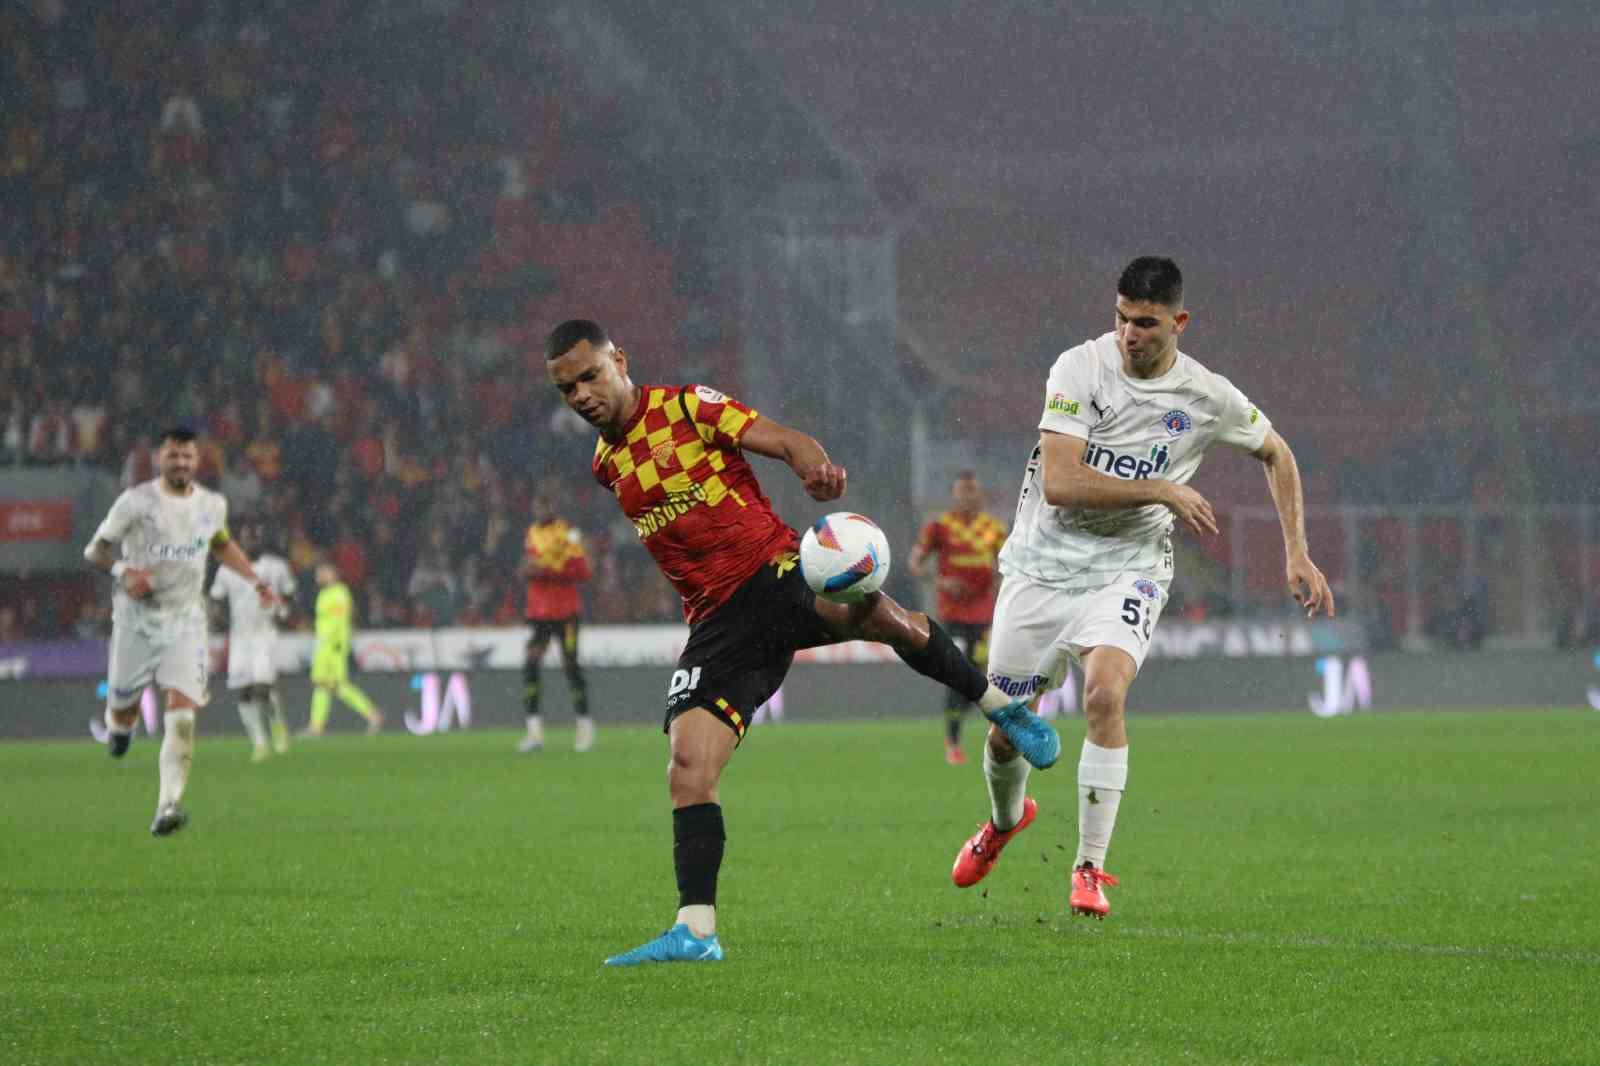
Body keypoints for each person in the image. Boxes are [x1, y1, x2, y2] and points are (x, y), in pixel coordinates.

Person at [544, 319, 1060, 967]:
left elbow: (784, 440)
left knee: (878, 616)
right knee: (687, 768)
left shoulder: (685, 406)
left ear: (619, 360)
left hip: (775, 571)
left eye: (590, 375)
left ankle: (999, 706)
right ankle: (696, 931)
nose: (582, 394)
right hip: (717, 625)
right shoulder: (604, 464)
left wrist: (813, 466)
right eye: (568, 389)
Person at [948, 257, 1335, 919]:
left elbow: (1277, 452)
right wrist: (1160, 487)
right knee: (1007, 731)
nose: (1131, 333)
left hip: (1128, 567)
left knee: (1105, 694)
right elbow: (1061, 483)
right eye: (1123, 319)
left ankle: (1089, 869)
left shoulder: (1207, 396)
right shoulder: (1079, 369)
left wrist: (1296, 550)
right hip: (1042, 567)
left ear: (1178, 322)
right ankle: (1004, 820)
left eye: (1147, 323)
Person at [83, 426, 279, 836]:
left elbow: (221, 544)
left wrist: (255, 580)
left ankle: (168, 805)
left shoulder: (212, 504)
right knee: (122, 712)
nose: (181, 462)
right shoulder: (135, 503)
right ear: (160, 458)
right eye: (173, 455)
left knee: (184, 717)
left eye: (188, 456)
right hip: (136, 623)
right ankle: (120, 730)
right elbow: (95, 550)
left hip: (187, 623)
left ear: (197, 460)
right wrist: (124, 571)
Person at [906, 470, 1007, 765]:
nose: (967, 497)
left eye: (972, 491)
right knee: (958, 672)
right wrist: (941, 582)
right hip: (952, 614)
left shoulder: (994, 528)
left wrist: (1000, 583)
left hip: (984, 614)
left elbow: (1010, 564)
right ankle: (953, 743)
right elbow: (915, 564)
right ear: (952, 495)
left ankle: (996, 735)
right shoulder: (939, 527)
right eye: (962, 491)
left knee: (981, 674)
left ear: (981, 495)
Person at [209, 521, 298, 761]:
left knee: (262, 686)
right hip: (240, 637)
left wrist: (283, 613)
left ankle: (278, 727)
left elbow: (290, 595)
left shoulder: (276, 567)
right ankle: (259, 743)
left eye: (256, 537)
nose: (252, 542)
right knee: (246, 691)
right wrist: (221, 622)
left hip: (264, 634)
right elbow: (216, 600)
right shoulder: (227, 569)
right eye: (248, 537)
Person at [517, 486, 595, 753]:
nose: (539, 511)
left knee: (571, 666)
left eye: (544, 506)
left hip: (565, 612)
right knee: (530, 666)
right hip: (538, 613)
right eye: (537, 506)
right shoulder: (531, 534)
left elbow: (583, 570)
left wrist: (546, 570)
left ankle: (584, 728)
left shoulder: (567, 534)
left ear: (552, 508)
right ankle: (534, 733)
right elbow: (526, 568)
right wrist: (531, 570)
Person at [303, 562, 384, 736]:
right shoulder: (324, 593)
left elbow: (339, 621)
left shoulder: (340, 593)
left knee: (336, 685)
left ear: (332, 574)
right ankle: (316, 726)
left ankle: (372, 714)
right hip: (324, 645)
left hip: (333, 646)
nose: (319, 575)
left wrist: (333, 642)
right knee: (323, 684)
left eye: (322, 571)